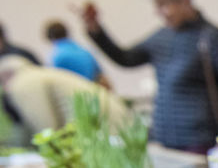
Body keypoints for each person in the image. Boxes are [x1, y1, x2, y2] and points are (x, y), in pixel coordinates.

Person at [78, 0, 218, 152]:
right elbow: (126, 58)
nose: (159, 12)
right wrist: (96, 29)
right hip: (165, 136)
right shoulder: (161, 37)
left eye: (164, 5)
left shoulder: (212, 38)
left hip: (200, 139)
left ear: (184, 0)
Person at [0, 55, 131, 134]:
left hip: (104, 131)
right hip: (118, 124)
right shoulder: (38, 74)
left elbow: (47, 128)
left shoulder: (22, 83)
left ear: (5, 76)